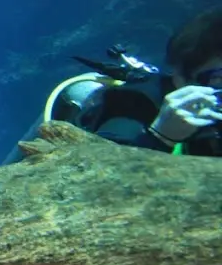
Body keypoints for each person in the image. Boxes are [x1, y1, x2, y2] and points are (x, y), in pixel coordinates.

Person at [39, 9, 222, 157]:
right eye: (218, 79)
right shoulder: (135, 105)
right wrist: (160, 138)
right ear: (179, 77)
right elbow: (97, 179)